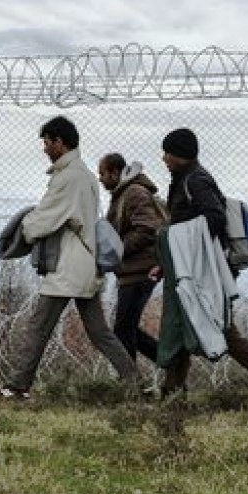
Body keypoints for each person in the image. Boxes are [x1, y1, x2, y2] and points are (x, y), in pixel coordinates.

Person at [0, 116, 140, 399]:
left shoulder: (68, 177)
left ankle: (16, 386)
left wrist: (20, 231)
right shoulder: (83, 174)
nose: (45, 149)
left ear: (60, 143)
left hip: (68, 265)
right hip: (85, 263)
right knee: (100, 333)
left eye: (47, 143)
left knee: (38, 328)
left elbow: (46, 218)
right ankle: (135, 383)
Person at [152, 128, 248, 395]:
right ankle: (172, 390)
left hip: (205, 271)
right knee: (184, 323)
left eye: (167, 153)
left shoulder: (196, 181)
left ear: (180, 155)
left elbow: (214, 218)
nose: (164, 158)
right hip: (192, 268)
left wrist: (183, 243)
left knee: (222, 329)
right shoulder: (186, 178)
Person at [98, 152, 165, 369]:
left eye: (103, 173)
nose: (100, 179)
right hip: (132, 270)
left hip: (140, 270)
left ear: (115, 172)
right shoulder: (123, 194)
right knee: (126, 328)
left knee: (123, 329)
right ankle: (169, 363)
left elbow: (147, 229)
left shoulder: (134, 192)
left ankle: (131, 381)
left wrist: (117, 250)